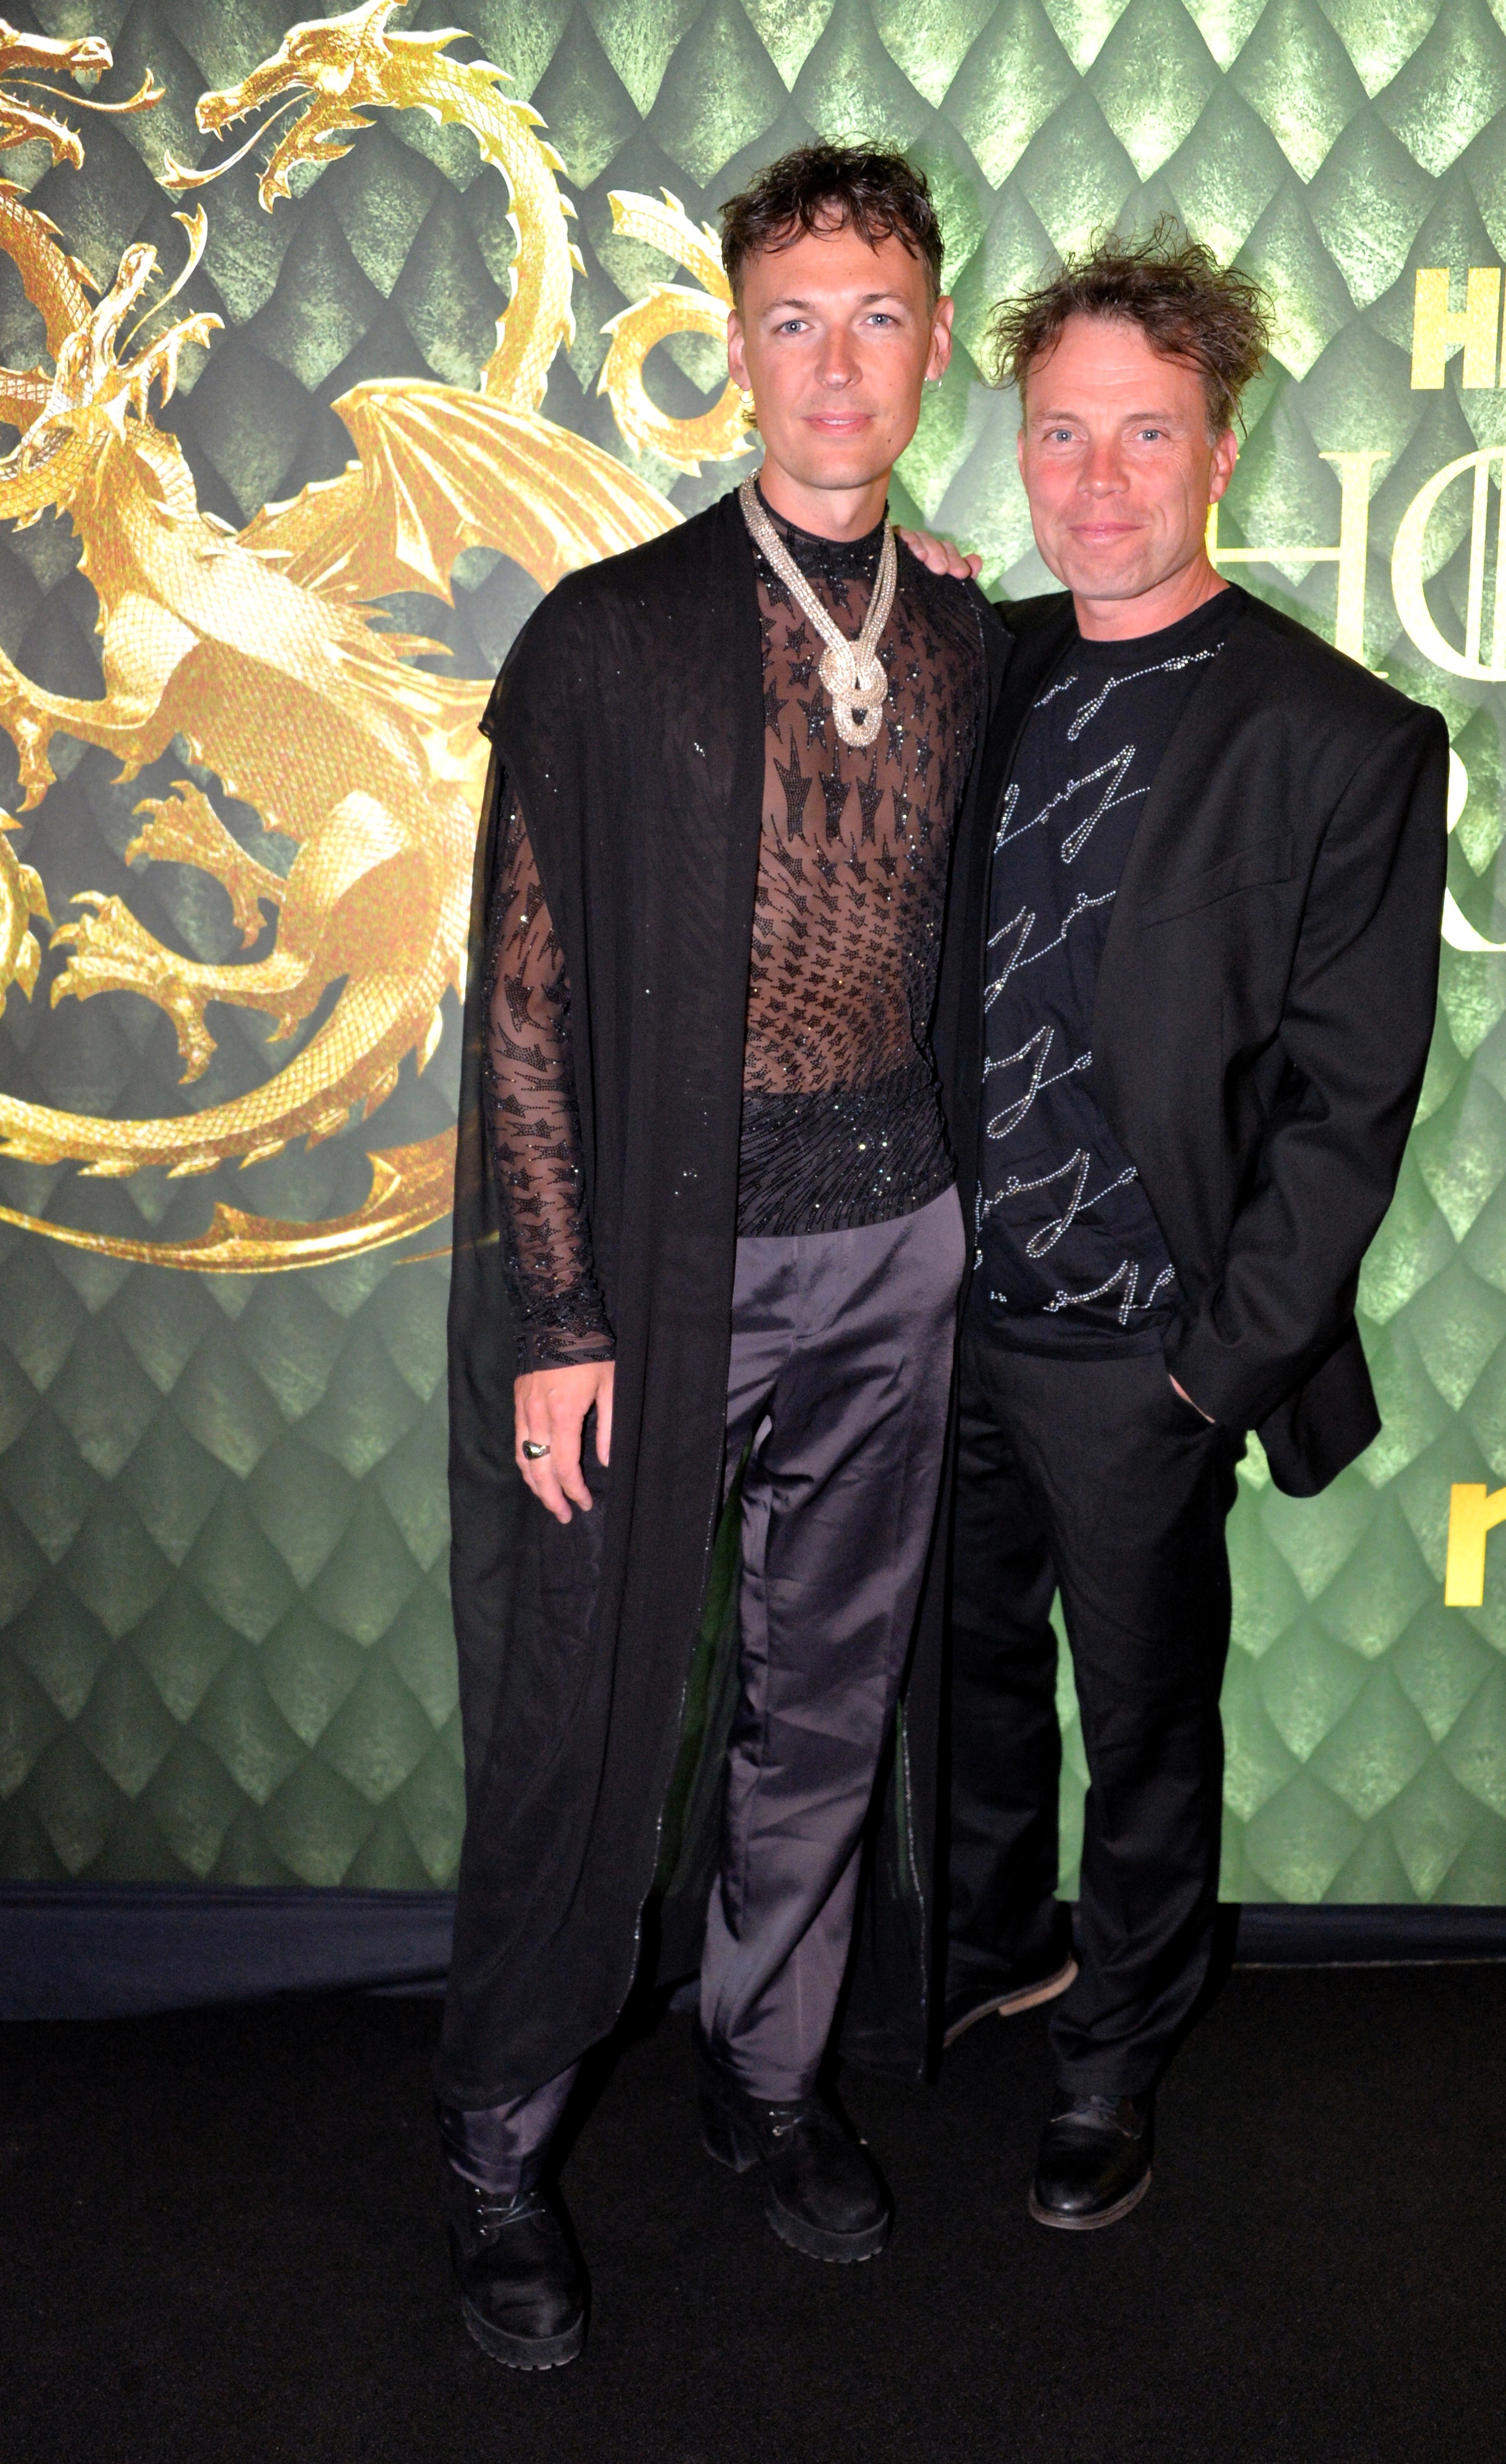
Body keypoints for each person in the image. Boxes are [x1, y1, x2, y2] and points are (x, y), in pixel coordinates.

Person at [438, 143, 1003, 2368]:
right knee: (583, 1713)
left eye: (876, 318)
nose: (836, 363)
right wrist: (560, 1313)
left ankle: (765, 2075)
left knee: (826, 1704)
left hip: (898, 1248)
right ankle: (500, 2144)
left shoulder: (960, 631)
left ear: (931, 344)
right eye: (793, 319)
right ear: (737, 348)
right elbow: (528, 999)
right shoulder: (612, 637)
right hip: (661, 1275)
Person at [924, 229, 1447, 2228]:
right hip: (935, 1322)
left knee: (1145, 1725)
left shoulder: (1343, 737)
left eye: (1146, 433)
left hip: (1141, 1350)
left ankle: (1115, 2051)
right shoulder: (983, 671)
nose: (1098, 478)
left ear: (1222, 450)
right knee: (955, 1683)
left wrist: (1207, 1374)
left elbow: (1346, 1106)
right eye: (1062, 433)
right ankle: (987, 1956)